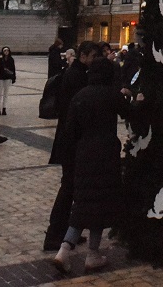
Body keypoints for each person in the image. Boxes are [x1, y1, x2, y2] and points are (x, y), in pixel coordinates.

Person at [50, 59, 130, 274]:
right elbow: (129, 113)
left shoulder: (81, 96)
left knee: (84, 203)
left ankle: (64, 250)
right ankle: (92, 253)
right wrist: (137, 100)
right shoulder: (110, 94)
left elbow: (70, 130)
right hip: (106, 155)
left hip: (84, 155)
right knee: (100, 204)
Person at [43, 42, 104, 250]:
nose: (96, 60)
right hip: (72, 141)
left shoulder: (76, 73)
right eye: (94, 56)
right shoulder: (77, 76)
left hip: (69, 139)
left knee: (72, 188)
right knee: (68, 187)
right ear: (83, 55)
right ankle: (54, 235)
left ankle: (68, 232)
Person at [0, 46, 16, 115]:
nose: (6, 52)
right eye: (5, 51)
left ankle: (4, 108)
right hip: (0, 78)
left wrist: (13, 78)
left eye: (7, 51)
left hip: (8, 78)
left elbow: (13, 69)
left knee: (6, 94)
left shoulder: (11, 59)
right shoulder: (0, 59)